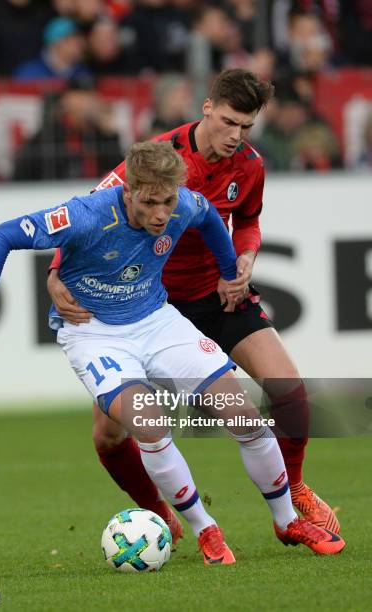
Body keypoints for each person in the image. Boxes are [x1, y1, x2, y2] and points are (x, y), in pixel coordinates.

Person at [0, 141, 344, 563]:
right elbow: (2, 236)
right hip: (94, 333)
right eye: (151, 202)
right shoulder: (86, 215)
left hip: (157, 321)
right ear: (128, 192)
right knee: (150, 424)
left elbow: (212, 219)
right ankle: (206, 529)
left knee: (243, 414)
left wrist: (230, 272)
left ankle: (287, 520)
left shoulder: (185, 204)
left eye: (168, 201)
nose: (162, 213)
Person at [47, 69, 341, 535]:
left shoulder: (250, 164)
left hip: (215, 295)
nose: (235, 136)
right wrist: (55, 270)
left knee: (290, 389)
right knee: (108, 435)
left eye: (246, 126)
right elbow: (89, 209)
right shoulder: (159, 158)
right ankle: (158, 511)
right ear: (207, 107)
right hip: (147, 306)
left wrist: (245, 256)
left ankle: (297, 488)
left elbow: (247, 220)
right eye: (228, 121)